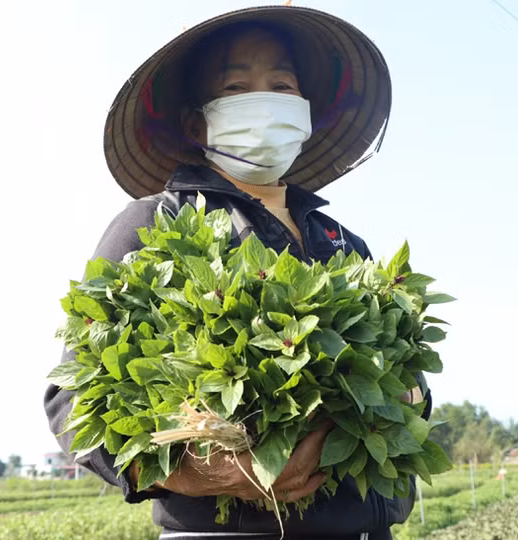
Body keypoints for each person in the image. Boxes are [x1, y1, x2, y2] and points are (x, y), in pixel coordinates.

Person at [44, 6, 432, 540]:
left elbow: (411, 381)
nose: (264, 99)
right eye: (236, 85)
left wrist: (408, 396)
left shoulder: (343, 244)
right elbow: (72, 403)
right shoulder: (157, 222)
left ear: (305, 113)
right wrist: (199, 471)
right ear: (195, 121)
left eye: (281, 84)